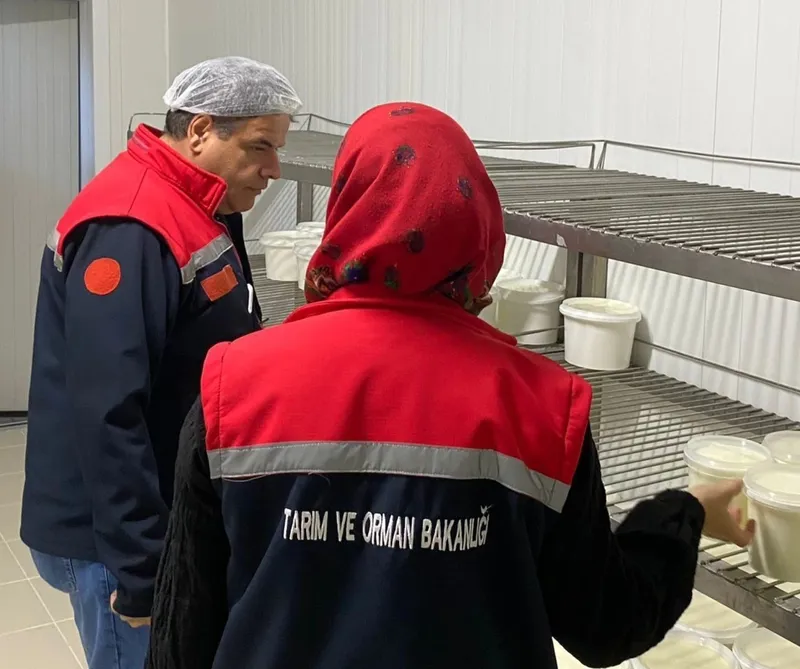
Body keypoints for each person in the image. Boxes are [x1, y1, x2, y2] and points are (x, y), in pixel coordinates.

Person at [145, 103, 755, 669]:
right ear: (476, 224)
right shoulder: (542, 405)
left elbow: (181, 636)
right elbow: (607, 625)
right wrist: (682, 514)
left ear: (349, 210)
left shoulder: (234, 386)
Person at [20, 56, 301, 669]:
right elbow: (107, 413)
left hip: (160, 509)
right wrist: (143, 572)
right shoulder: (132, 226)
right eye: (260, 146)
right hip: (116, 537)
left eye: (277, 149)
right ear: (200, 131)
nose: (273, 169)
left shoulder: (198, 204)